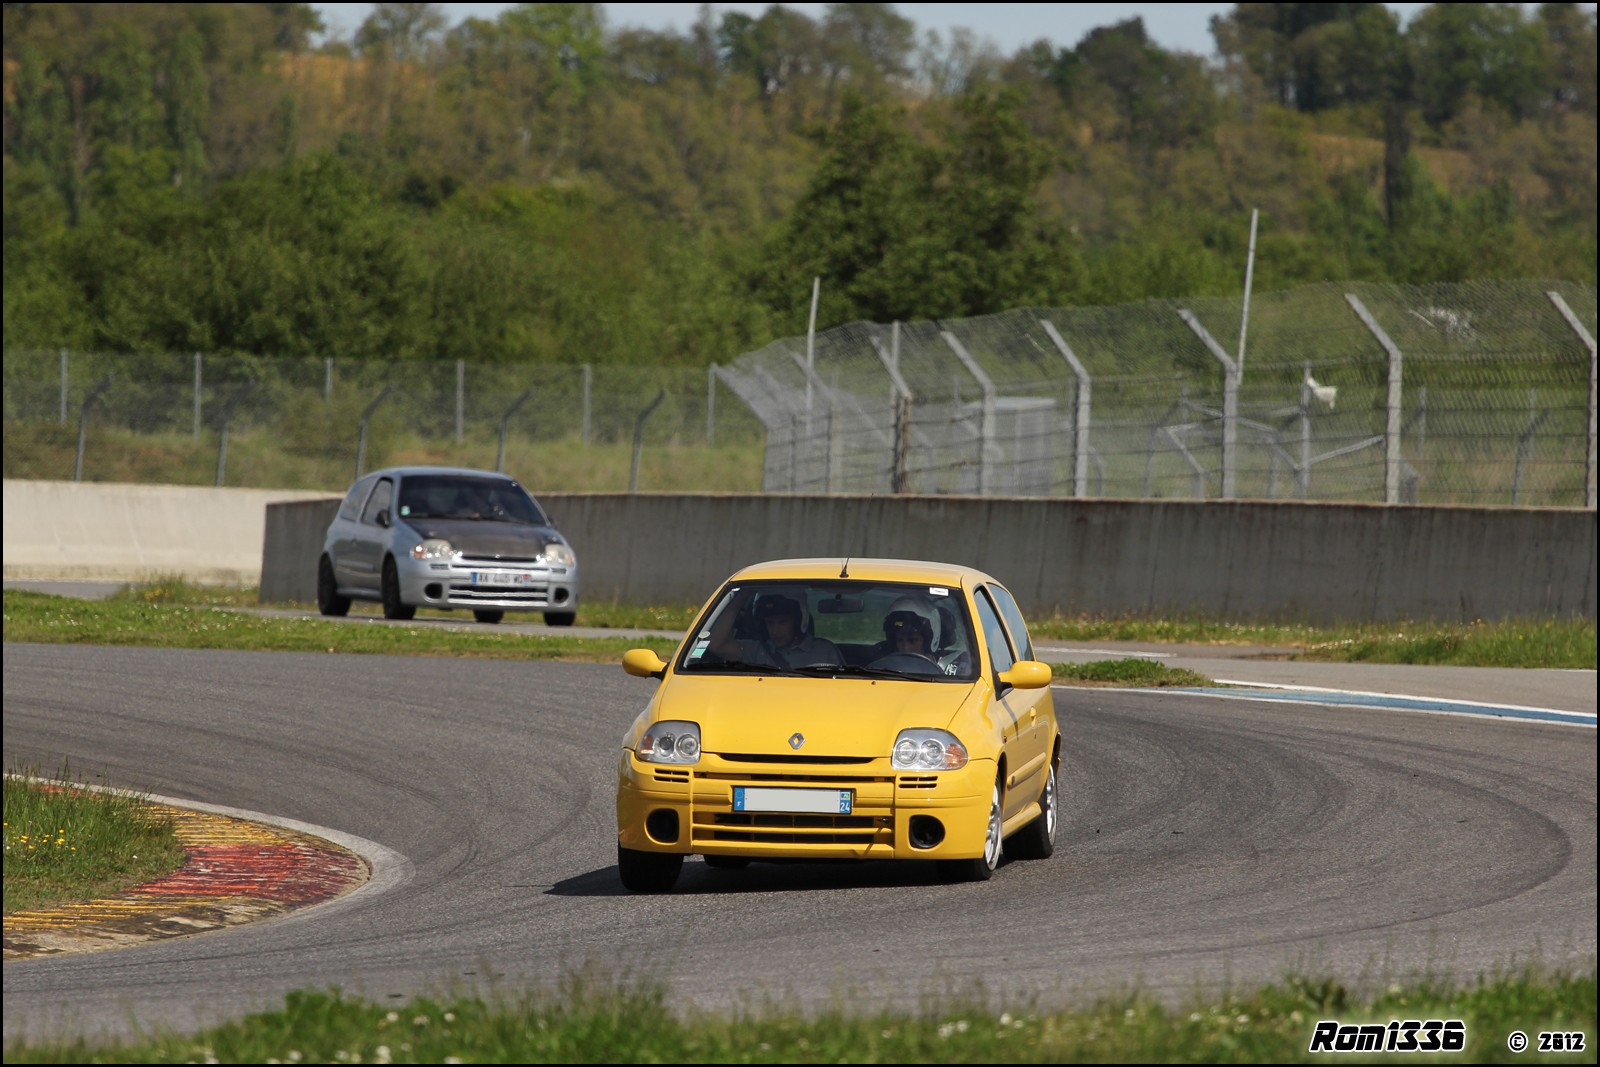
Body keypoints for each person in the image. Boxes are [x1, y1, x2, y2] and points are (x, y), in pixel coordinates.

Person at [706, 590, 843, 669]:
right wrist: (741, 597)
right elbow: (716, 644)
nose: (775, 630)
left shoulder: (825, 650)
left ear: (797, 621)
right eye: (770, 623)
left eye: (782, 622)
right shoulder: (756, 650)